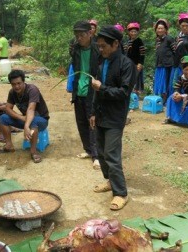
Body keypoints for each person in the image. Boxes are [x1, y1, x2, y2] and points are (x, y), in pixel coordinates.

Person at [90, 25, 136, 211]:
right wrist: (93, 112)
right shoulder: (103, 62)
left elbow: (124, 93)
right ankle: (110, 181)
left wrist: (102, 88)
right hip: (101, 114)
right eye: (99, 46)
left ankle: (121, 193)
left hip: (115, 117)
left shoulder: (127, 65)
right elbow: (96, 91)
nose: (101, 49)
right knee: (100, 152)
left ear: (115, 43)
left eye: (103, 46)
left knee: (111, 154)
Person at [0, 70, 49, 163]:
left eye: (19, 83)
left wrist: (26, 125)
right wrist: (22, 118)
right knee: (3, 118)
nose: (16, 86)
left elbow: (31, 109)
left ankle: (33, 151)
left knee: (33, 121)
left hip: (41, 119)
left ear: (24, 81)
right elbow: (8, 108)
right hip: (26, 119)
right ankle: (9, 145)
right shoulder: (12, 92)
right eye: (13, 84)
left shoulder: (32, 89)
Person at [70, 20, 100, 169]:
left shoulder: (97, 49)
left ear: (90, 33)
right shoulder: (75, 49)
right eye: (76, 35)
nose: (79, 38)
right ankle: (88, 150)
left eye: (81, 35)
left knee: (92, 123)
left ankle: (96, 155)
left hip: (92, 91)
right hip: (79, 90)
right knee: (81, 122)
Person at [153, 19, 175, 102]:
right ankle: (162, 100)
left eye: (162, 28)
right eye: (158, 28)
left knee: (167, 83)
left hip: (168, 65)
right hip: (159, 65)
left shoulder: (169, 39)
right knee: (161, 84)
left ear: (165, 29)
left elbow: (175, 51)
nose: (160, 30)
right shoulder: (157, 40)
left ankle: (168, 100)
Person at [124, 22, 146, 93]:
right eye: (131, 31)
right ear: (129, 32)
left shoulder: (139, 41)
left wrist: (140, 63)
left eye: (135, 31)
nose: (133, 33)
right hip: (128, 64)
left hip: (136, 64)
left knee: (136, 79)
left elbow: (142, 54)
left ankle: (136, 95)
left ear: (137, 32)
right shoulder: (128, 41)